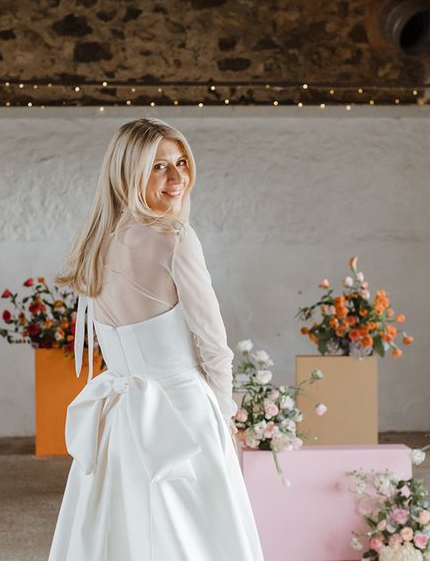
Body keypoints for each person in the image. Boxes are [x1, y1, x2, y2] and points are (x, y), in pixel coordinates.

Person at [47, 117, 265, 560]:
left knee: (119, 531)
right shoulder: (175, 239)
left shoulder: (96, 242)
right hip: (183, 415)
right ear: (128, 173)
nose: (177, 177)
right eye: (159, 166)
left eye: (181, 162)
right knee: (196, 539)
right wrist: (223, 414)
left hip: (120, 417)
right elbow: (213, 345)